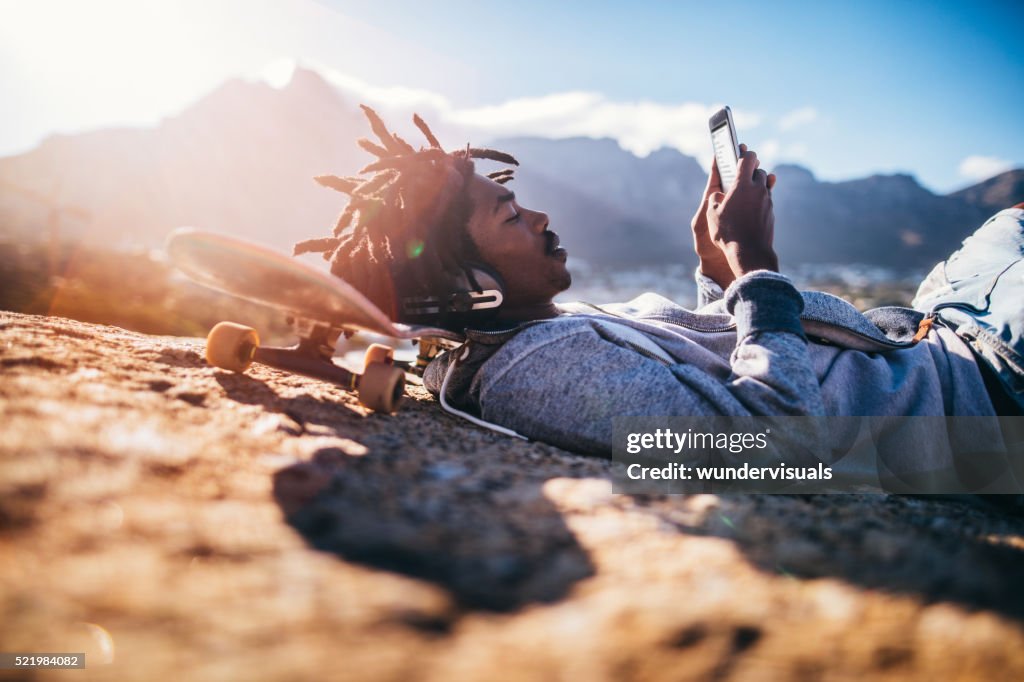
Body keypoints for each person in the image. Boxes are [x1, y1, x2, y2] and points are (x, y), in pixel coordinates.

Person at [295, 106, 1024, 458]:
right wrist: (755, 266)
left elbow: (713, 375)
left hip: (939, 328)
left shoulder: (522, 336)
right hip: (984, 386)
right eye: (512, 216)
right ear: (474, 285)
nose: (542, 215)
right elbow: (770, 448)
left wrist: (713, 272)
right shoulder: (540, 373)